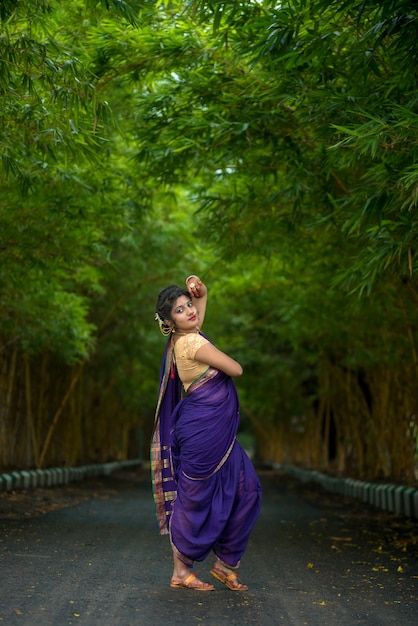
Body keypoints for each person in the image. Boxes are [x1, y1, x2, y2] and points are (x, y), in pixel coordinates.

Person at [151, 274, 262, 591]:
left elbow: (197, 315)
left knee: (248, 489)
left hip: (216, 434)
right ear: (170, 322)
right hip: (203, 432)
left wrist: (201, 291)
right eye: (180, 310)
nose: (190, 310)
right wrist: (199, 296)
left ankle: (226, 564)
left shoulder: (183, 339)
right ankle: (180, 571)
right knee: (194, 499)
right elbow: (236, 369)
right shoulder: (191, 343)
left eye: (189, 304)